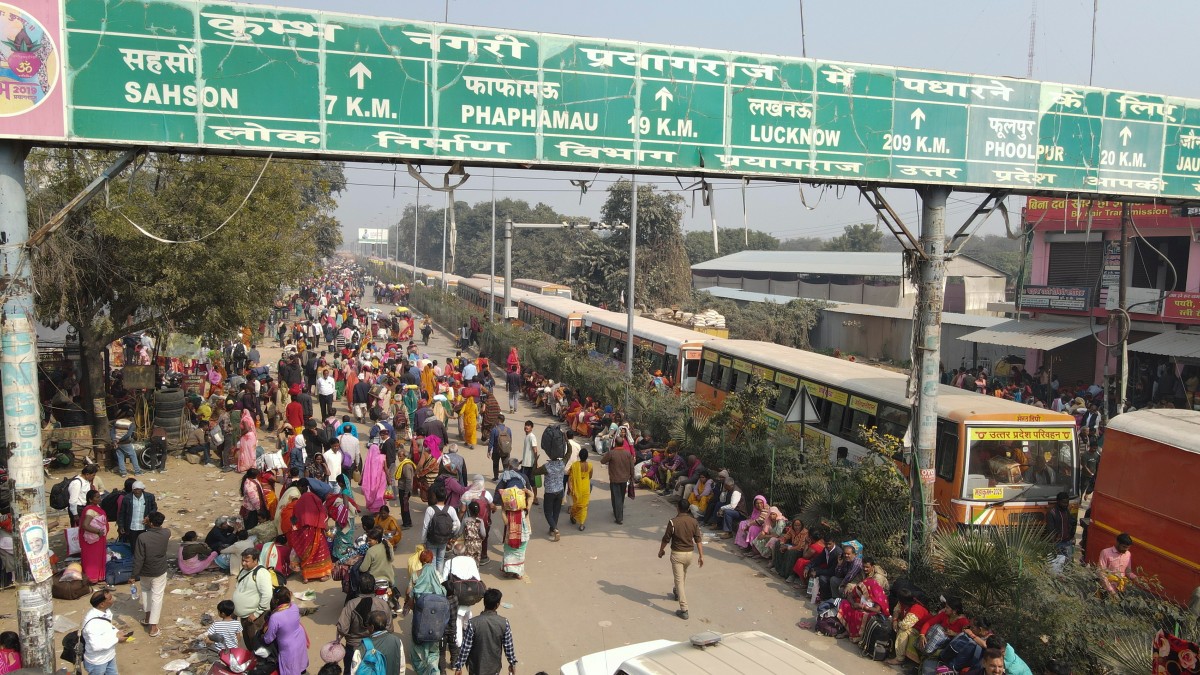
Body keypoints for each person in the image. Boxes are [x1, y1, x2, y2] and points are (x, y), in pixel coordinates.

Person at [453, 588, 518, 675]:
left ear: (484, 603)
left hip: (475, 668)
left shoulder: (473, 623)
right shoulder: (504, 622)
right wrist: (512, 663)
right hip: (494, 668)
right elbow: (508, 647)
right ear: (497, 605)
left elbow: (466, 647)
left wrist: (459, 666)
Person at [658, 498, 704, 620]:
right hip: (689, 555)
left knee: (679, 580)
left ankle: (684, 609)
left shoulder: (673, 522)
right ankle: (677, 592)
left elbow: (666, 538)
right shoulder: (693, 522)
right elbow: (698, 539)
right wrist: (701, 555)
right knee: (682, 575)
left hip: (677, 554)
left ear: (677, 508)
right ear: (688, 509)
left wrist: (661, 550)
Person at [336, 572, 391, 675]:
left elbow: (342, 629)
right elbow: (390, 629)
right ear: (374, 587)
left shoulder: (351, 605)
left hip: (354, 648)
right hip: (378, 648)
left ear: (358, 588)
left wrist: (352, 636)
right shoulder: (383, 604)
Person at [408, 549, 449, 675]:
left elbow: (410, 603)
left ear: (420, 561)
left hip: (420, 622)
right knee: (433, 652)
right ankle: (433, 672)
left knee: (418, 652)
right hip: (436, 623)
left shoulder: (416, 575)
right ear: (432, 560)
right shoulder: (437, 575)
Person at [131, 511, 170, 638]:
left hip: (145, 571)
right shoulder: (166, 533)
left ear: (150, 523)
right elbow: (161, 528)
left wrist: (133, 575)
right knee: (157, 597)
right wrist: (151, 522)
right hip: (159, 570)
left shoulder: (142, 537)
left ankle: (147, 618)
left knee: (146, 593)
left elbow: (139, 558)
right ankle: (153, 627)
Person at [286, 480, 334, 582]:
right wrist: (327, 530)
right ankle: (322, 574)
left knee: (305, 554)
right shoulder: (315, 499)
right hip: (316, 533)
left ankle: (306, 576)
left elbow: (294, 519)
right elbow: (322, 516)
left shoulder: (299, 502)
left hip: (303, 533)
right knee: (320, 553)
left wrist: (296, 532)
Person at [82, 590, 130, 675]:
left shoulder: (105, 611)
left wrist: (117, 631)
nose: (113, 599)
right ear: (102, 604)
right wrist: (117, 639)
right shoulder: (92, 624)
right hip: (98, 662)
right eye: (110, 598)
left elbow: (108, 626)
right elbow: (96, 646)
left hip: (110, 656)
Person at [263, 586, 308, 675]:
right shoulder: (294, 607)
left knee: (290, 670)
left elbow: (268, 639)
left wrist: (263, 633)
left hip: (288, 648)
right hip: (300, 640)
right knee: (300, 665)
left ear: (275, 600)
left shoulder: (275, 617)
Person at [233, 551, 273, 650]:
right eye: (242, 560)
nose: (243, 563)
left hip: (254, 617)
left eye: (247, 561)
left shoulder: (261, 573)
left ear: (255, 560)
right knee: (248, 640)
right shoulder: (244, 570)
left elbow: (267, 595)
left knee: (256, 642)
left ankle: (259, 662)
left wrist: (256, 613)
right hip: (244, 616)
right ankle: (252, 660)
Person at [837, 574, 889, 643]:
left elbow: (877, 610)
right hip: (859, 608)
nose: (862, 591)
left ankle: (859, 636)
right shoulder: (863, 588)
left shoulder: (877, 593)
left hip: (871, 612)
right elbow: (850, 596)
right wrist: (853, 604)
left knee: (864, 615)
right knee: (845, 603)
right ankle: (848, 631)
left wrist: (862, 607)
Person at [354, 610, 406, 675]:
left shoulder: (363, 647)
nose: (367, 628)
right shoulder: (397, 641)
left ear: (372, 627)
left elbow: (354, 671)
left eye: (367, 625)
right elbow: (401, 667)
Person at [422, 486, 461, 573]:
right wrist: (452, 534)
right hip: (444, 540)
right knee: (440, 560)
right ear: (445, 497)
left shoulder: (430, 509)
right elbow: (458, 524)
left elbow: (425, 526)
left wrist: (423, 541)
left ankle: (433, 580)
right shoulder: (450, 509)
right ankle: (439, 581)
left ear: (435, 496)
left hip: (431, 540)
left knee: (432, 560)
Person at [599, 435, 634, 525]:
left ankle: (619, 517)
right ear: (622, 443)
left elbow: (602, 461)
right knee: (621, 497)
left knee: (615, 497)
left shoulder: (612, 453)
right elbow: (632, 466)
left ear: (615, 443)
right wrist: (632, 477)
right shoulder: (627, 453)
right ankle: (618, 512)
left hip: (614, 479)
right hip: (624, 479)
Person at [533, 449, 566, 541]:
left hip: (549, 492)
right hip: (560, 491)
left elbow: (534, 472)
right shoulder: (562, 463)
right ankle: (552, 529)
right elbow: (569, 453)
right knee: (556, 512)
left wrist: (535, 461)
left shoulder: (546, 467)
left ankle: (555, 529)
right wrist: (567, 441)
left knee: (548, 512)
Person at [79, 490, 109, 584]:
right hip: (92, 540)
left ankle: (98, 576)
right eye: (97, 497)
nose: (99, 498)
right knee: (92, 559)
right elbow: (85, 525)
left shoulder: (97, 508)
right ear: (90, 500)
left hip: (99, 539)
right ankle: (91, 577)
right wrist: (98, 531)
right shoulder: (90, 511)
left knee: (98, 557)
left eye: (99, 496)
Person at [116, 480, 157, 549]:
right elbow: (122, 513)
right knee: (134, 546)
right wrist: (121, 526)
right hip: (132, 527)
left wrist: (149, 516)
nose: (137, 491)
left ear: (142, 490)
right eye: (135, 490)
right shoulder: (127, 498)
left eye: (139, 490)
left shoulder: (149, 497)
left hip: (144, 527)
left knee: (144, 546)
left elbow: (154, 508)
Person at [1045, 491, 1077, 560]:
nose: (1066, 504)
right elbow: (1050, 529)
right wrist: (1054, 543)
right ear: (1058, 502)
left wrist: (1072, 536)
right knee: (1058, 564)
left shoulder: (1066, 511)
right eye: (1063, 503)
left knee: (1069, 563)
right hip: (1058, 544)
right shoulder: (1052, 513)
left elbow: (1070, 524)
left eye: (1067, 502)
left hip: (1068, 542)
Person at [567, 447, 592, 531]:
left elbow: (569, 476)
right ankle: (581, 524)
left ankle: (573, 516)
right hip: (585, 488)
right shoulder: (590, 465)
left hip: (576, 487)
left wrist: (569, 488)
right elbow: (590, 476)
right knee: (584, 506)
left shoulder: (574, 465)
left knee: (576, 504)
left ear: (579, 456)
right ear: (587, 456)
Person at [361, 442, 388, 513]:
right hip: (381, 480)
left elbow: (364, 470)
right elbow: (386, 468)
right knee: (380, 494)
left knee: (372, 494)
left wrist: (361, 480)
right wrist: (389, 478)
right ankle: (380, 508)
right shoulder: (382, 457)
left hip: (370, 481)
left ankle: (374, 509)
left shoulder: (368, 460)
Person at [521, 421, 539, 504]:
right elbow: (527, 452)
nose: (526, 427)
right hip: (525, 463)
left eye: (528, 426)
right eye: (526, 425)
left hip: (530, 464)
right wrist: (522, 461)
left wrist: (536, 462)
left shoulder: (532, 437)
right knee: (524, 482)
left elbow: (535, 449)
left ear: (532, 428)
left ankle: (535, 498)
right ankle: (527, 497)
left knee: (532, 482)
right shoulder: (527, 437)